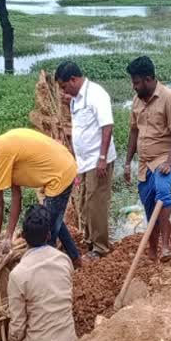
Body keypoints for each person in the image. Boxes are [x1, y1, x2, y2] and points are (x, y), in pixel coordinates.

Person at [0, 128, 82, 268]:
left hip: (60, 175)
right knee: (54, 219)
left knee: (46, 235)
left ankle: (51, 271)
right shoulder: (2, 146)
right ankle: (76, 259)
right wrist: (8, 237)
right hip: (64, 165)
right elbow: (16, 196)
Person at [0, 205, 77, 341]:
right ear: (48, 235)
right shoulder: (64, 260)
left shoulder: (18, 275)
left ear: (22, 235)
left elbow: (18, 328)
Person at [55, 61, 117, 261]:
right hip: (84, 161)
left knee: (96, 203)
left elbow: (107, 126)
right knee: (84, 202)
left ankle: (101, 248)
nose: (64, 91)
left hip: (97, 160)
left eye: (64, 86)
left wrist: (102, 158)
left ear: (73, 80)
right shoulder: (76, 98)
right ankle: (91, 241)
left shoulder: (97, 94)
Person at [124, 56, 171, 263]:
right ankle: (152, 251)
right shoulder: (136, 100)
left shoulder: (170, 99)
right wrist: (127, 162)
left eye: (137, 82)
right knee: (149, 206)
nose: (134, 87)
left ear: (149, 79)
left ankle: (166, 247)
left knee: (163, 193)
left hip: (162, 160)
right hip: (143, 163)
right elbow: (133, 132)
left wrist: (169, 162)